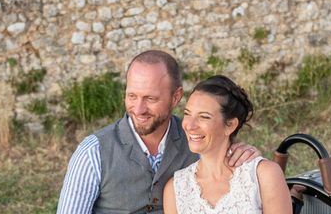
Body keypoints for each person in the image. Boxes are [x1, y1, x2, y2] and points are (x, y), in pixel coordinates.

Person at [57, 50, 262, 214]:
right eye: (132, 96)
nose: (138, 109)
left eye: (150, 99)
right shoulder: (92, 152)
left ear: (175, 97)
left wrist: (243, 152)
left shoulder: (197, 138)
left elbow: (235, 174)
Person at [163, 75, 292, 214]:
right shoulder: (176, 188)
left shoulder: (264, 175)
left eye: (204, 117)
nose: (190, 125)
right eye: (187, 114)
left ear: (230, 125)